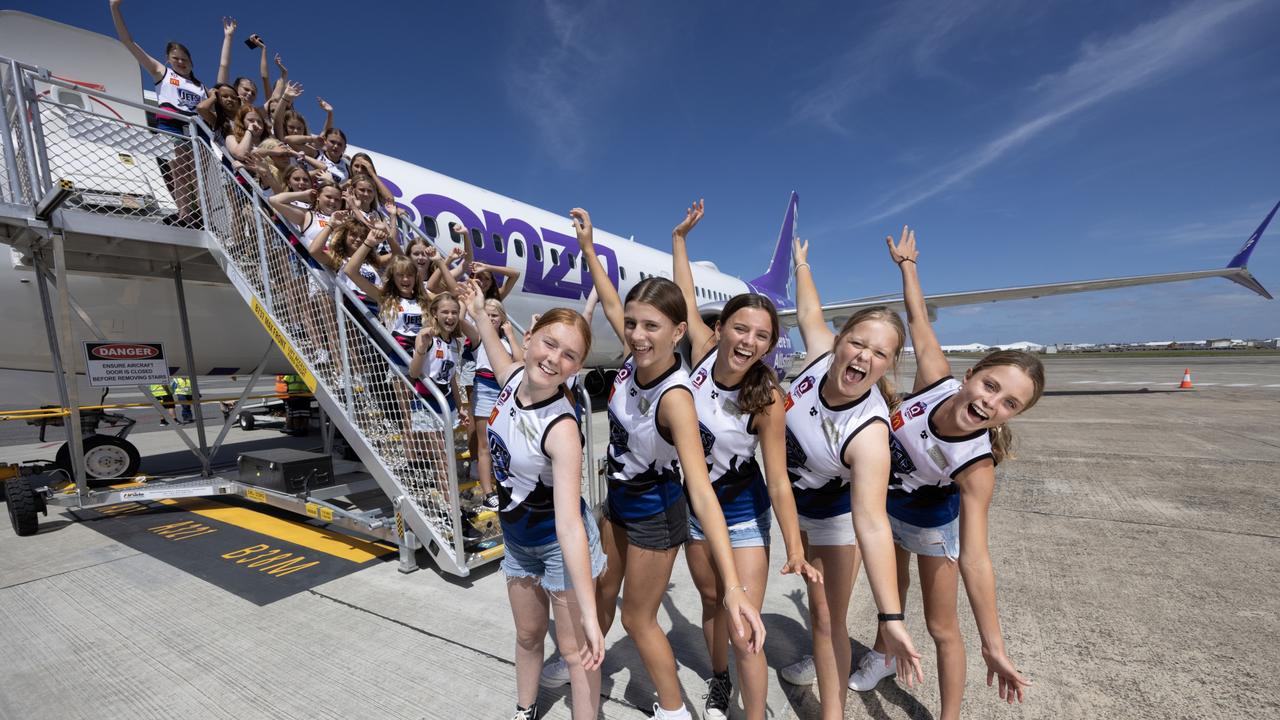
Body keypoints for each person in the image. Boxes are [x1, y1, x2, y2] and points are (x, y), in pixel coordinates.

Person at [548, 207, 764, 720]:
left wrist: (733, 583)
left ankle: (672, 710)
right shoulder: (636, 359)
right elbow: (608, 298)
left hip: (656, 515)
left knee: (637, 618)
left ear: (679, 332)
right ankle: (582, 663)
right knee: (600, 597)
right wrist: (587, 247)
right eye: (632, 325)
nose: (638, 334)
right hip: (619, 503)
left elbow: (702, 490)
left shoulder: (676, 397)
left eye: (651, 326)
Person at [844, 228, 1041, 717]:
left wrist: (994, 644)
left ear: (1013, 415)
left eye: (1009, 403)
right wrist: (907, 266)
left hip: (931, 524)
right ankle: (884, 655)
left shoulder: (976, 467)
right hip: (882, 505)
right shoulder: (935, 379)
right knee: (892, 590)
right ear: (972, 374)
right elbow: (916, 317)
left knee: (941, 626)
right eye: (991, 385)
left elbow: (976, 559)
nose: (991, 402)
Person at [670, 200, 820, 720]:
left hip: (741, 516)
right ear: (723, 326)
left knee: (745, 625)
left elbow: (778, 482)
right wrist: (681, 239)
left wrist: (796, 547)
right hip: (693, 509)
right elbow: (684, 294)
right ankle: (718, 683)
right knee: (712, 604)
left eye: (761, 336)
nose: (748, 342)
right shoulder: (703, 350)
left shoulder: (766, 399)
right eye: (741, 329)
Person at [777, 237, 923, 719]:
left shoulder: (869, 434)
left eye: (878, 354)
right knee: (816, 616)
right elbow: (809, 312)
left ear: (889, 364)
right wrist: (801, 264)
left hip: (832, 519)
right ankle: (820, 657)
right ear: (840, 343)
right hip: (788, 504)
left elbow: (874, 525)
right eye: (857, 342)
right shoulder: (819, 355)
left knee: (827, 619)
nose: (863, 357)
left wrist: (892, 618)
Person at [460, 284, 605, 720]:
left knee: (575, 650)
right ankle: (525, 710)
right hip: (518, 541)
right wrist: (479, 313)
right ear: (527, 338)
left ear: (577, 367)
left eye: (569, 356)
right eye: (549, 343)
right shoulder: (509, 381)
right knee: (527, 636)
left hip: (559, 548)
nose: (554, 359)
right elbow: (490, 339)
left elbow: (569, 526)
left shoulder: (562, 429)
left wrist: (592, 616)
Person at [110, 0, 206, 227]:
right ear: (168, 60)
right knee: (180, 172)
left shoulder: (200, 86)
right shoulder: (161, 72)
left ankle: (199, 214)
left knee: (197, 176)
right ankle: (186, 215)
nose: (181, 62)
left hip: (195, 130)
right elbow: (128, 42)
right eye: (176, 59)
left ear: (191, 62)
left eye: (184, 59)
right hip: (172, 127)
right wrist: (115, 9)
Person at [464, 297, 524, 511]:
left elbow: (520, 361)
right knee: (485, 445)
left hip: (505, 394)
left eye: (494, 315)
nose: (490, 319)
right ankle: (488, 492)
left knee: (506, 443)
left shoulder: (506, 341)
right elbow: (463, 324)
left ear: (502, 318)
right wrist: (468, 306)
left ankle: (504, 485)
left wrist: (510, 334)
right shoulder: (478, 337)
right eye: (487, 315)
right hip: (485, 391)